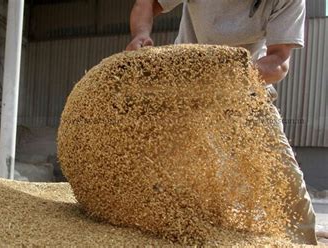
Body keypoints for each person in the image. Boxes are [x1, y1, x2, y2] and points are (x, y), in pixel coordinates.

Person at [126, 0, 317, 245]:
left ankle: (301, 240)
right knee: (171, 166)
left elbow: (278, 61)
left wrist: (224, 78)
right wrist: (140, 35)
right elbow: (147, 3)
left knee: (281, 172)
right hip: (187, 83)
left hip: (247, 84)